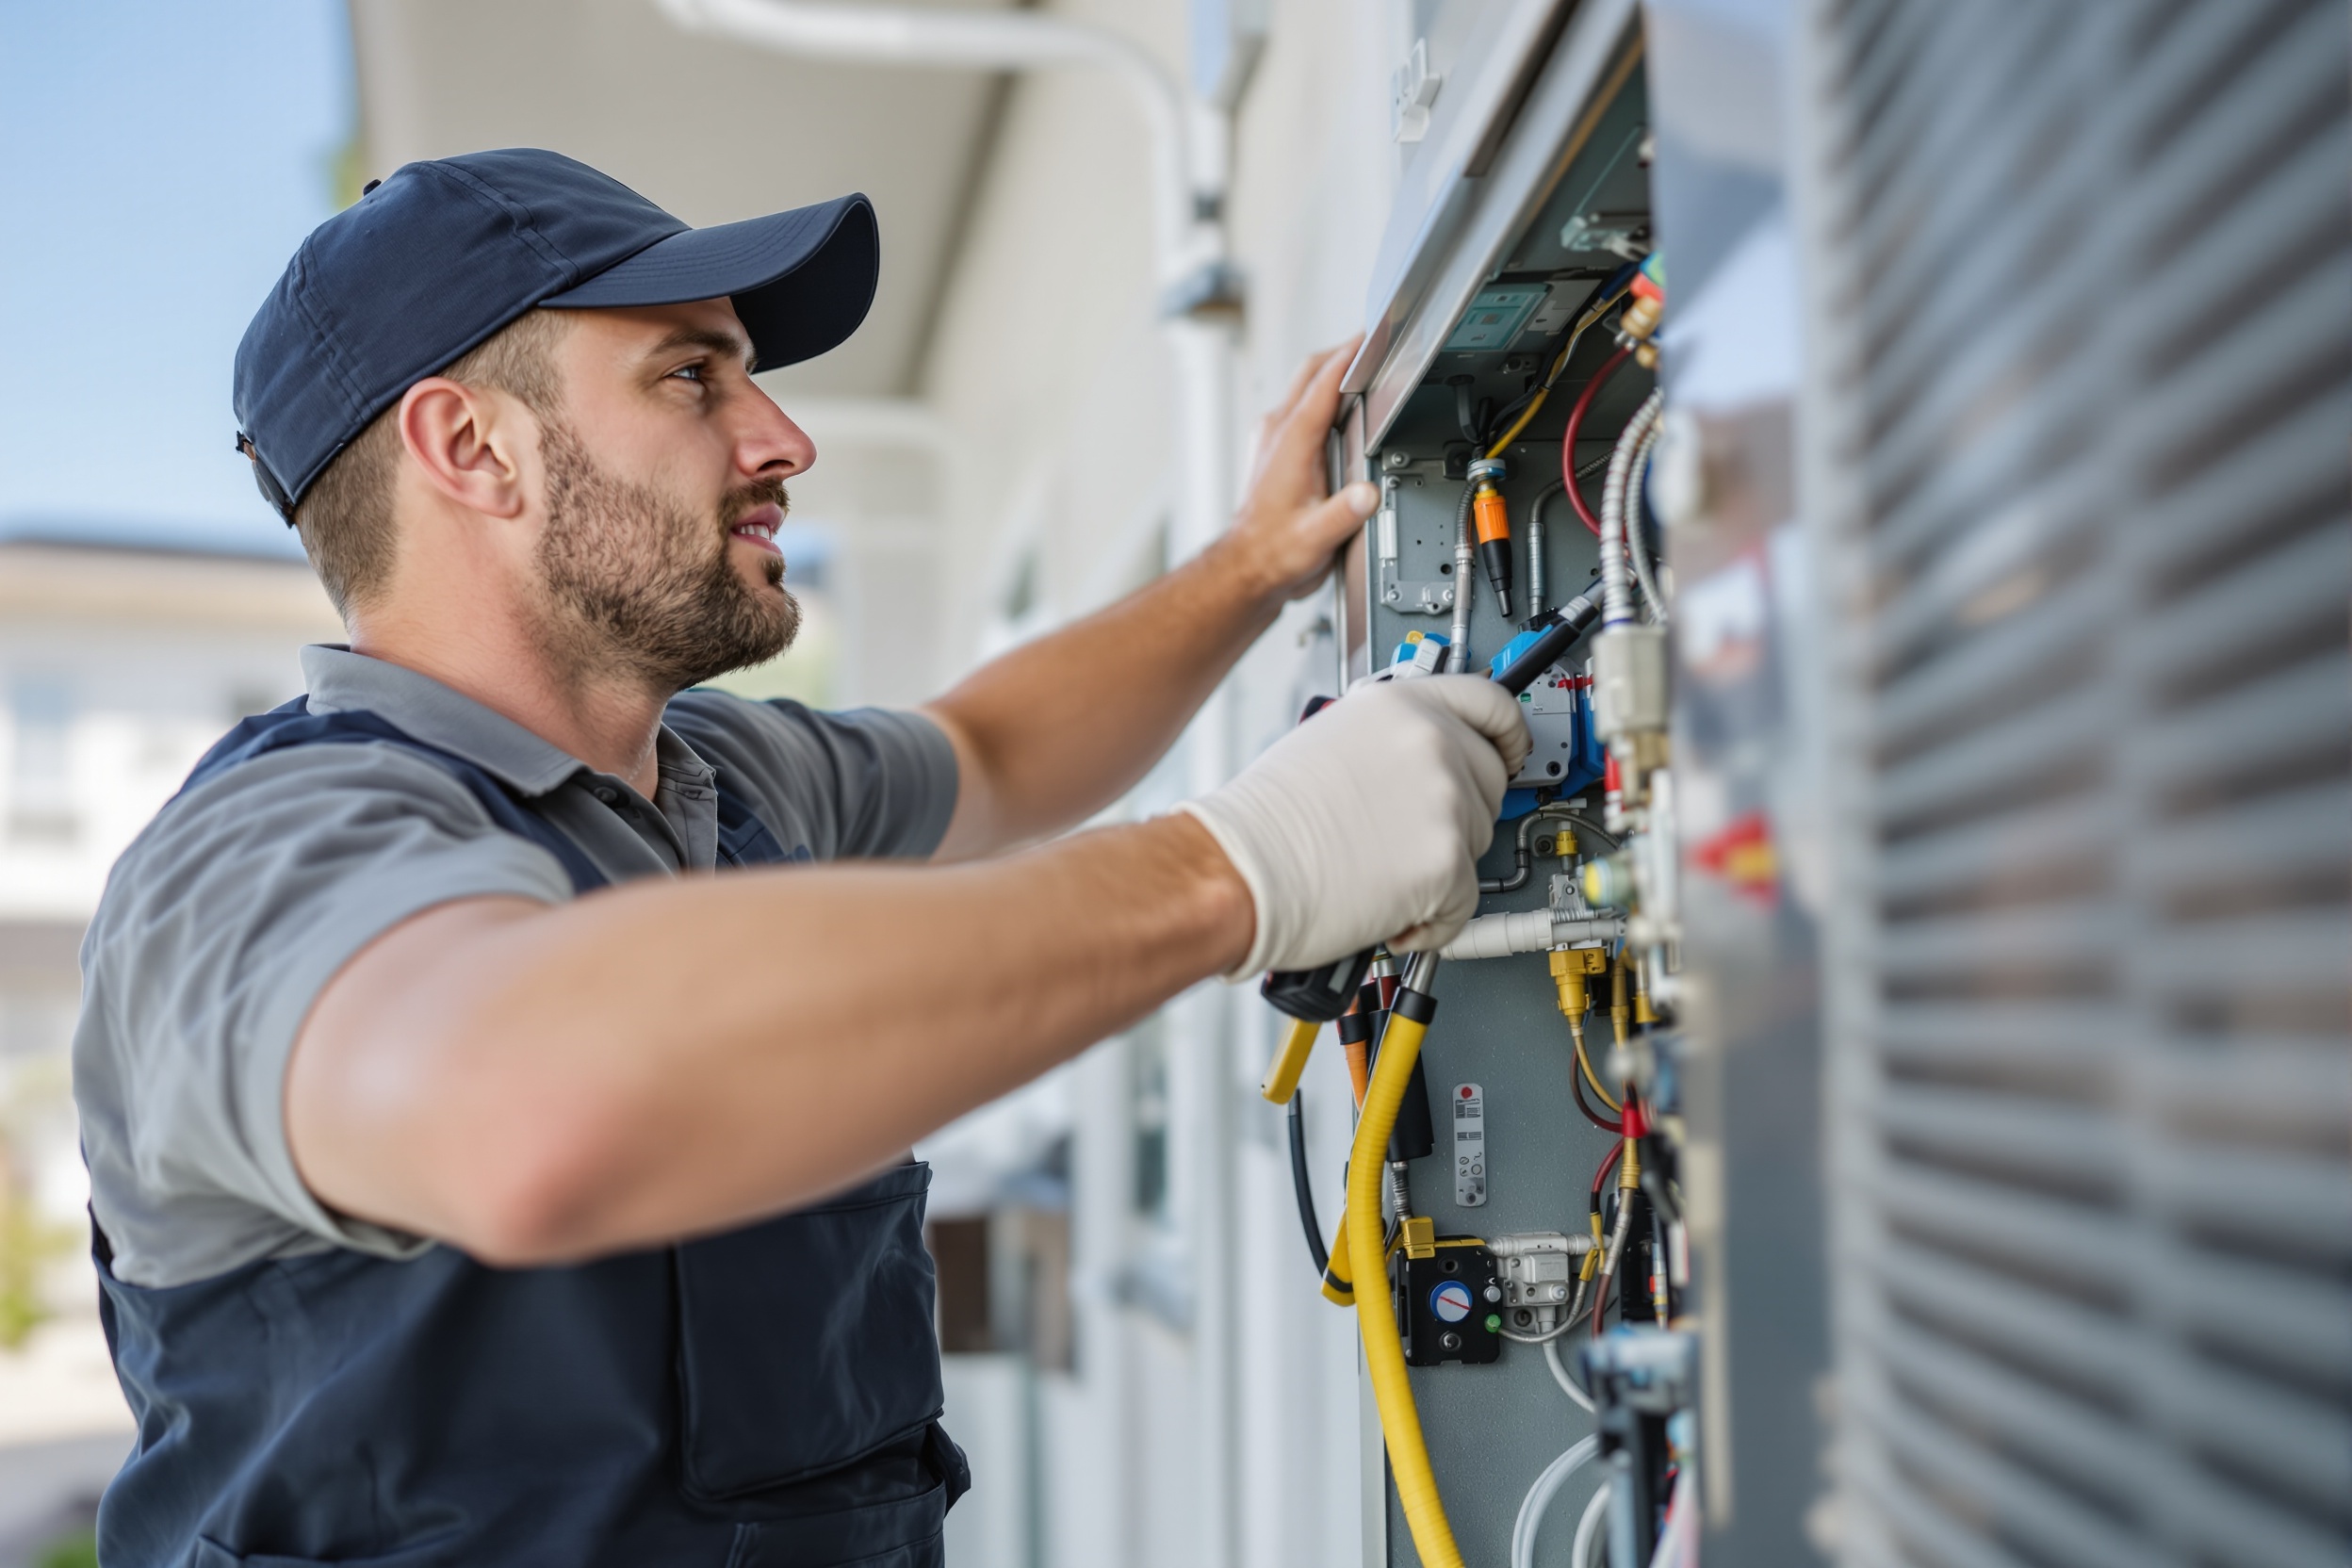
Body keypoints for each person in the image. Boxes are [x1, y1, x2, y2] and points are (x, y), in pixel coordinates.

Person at [74, 149, 1527, 1567]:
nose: (781, 437)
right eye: (690, 377)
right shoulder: (264, 857)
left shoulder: (721, 782)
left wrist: (1253, 566)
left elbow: (1000, 753)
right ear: (472, 447)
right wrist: (1238, 871)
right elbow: (540, 1105)